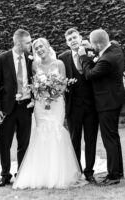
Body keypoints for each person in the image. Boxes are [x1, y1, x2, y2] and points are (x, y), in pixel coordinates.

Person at [13, 38, 82, 189]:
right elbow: (33, 84)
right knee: (41, 133)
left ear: (48, 46)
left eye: (41, 46)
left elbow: (63, 84)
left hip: (56, 103)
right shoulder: (35, 65)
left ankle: (58, 172)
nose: (39, 49)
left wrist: (53, 91)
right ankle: (41, 172)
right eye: (36, 48)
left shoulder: (59, 64)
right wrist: (40, 91)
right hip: (40, 105)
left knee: (56, 131)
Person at [78, 29, 125, 186]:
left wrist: (84, 57)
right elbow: (100, 53)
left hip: (107, 103)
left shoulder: (107, 59)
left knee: (109, 139)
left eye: (93, 44)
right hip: (116, 99)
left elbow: (90, 74)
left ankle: (113, 176)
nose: (92, 47)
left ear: (98, 44)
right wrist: (92, 52)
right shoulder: (115, 48)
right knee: (114, 136)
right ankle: (118, 171)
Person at [0, 29, 34, 187]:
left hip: (25, 106)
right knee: (5, 142)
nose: (30, 44)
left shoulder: (30, 58)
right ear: (18, 43)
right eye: (28, 42)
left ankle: (21, 173)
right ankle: (5, 174)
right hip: (6, 108)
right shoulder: (2, 58)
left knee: (24, 142)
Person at [58, 28, 99, 184]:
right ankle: (77, 171)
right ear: (67, 43)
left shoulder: (91, 52)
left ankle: (89, 172)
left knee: (91, 139)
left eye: (75, 37)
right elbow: (59, 80)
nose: (73, 41)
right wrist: (66, 85)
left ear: (80, 37)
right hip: (73, 106)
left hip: (92, 105)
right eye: (69, 39)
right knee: (74, 140)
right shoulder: (62, 57)